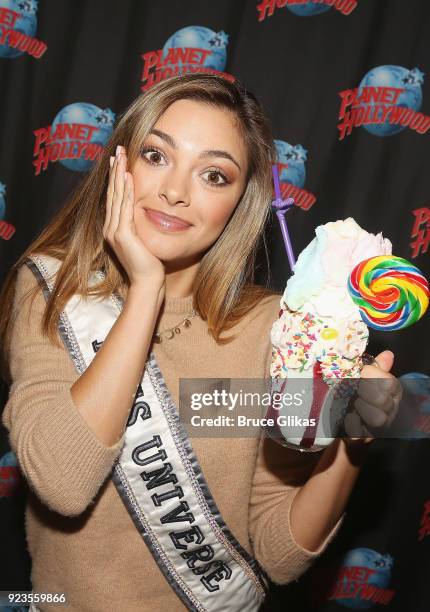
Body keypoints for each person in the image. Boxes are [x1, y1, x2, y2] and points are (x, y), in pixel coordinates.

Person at [0, 73, 401, 612]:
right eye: (156, 155)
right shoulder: (52, 289)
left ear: (240, 203)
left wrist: (351, 446)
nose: (176, 191)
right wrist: (145, 290)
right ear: (119, 163)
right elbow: (64, 483)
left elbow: (280, 555)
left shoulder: (267, 328)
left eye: (214, 175)